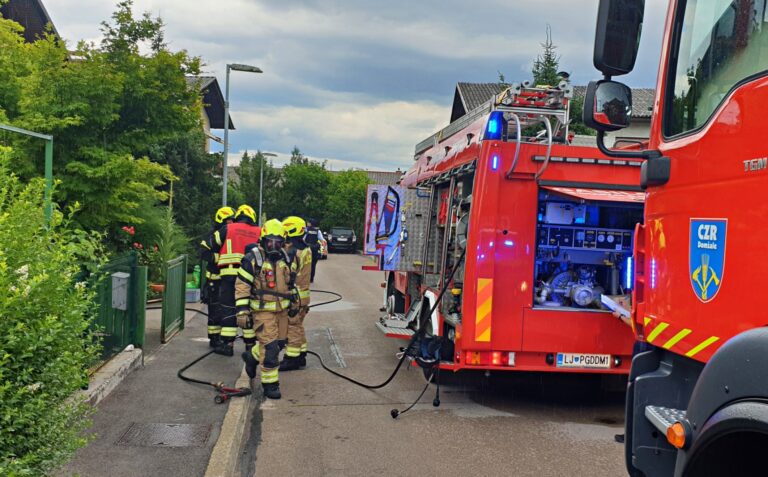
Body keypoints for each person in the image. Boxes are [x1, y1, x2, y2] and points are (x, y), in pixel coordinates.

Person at [235, 219, 293, 399]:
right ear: (263, 240)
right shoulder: (252, 259)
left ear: (283, 242)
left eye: (278, 242)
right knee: (270, 349)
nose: (273, 246)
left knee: (280, 343)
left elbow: (290, 283)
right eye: (270, 242)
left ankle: (251, 357)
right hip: (262, 311)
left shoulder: (285, 258)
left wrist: (294, 301)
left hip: (282, 311)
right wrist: (242, 310)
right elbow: (242, 286)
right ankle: (270, 385)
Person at [207, 204, 261, 356]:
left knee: (228, 308)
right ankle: (250, 346)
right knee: (248, 309)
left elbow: (211, 244)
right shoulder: (259, 231)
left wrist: (218, 260)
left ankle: (227, 345)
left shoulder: (227, 229)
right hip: (250, 277)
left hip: (229, 276)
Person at [199, 206, 235, 348]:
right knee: (214, 310)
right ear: (221, 220)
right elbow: (204, 252)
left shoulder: (231, 235)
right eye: (229, 220)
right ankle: (214, 338)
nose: (231, 223)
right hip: (214, 279)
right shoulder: (213, 235)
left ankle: (224, 337)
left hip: (227, 279)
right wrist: (221, 258)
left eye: (232, 220)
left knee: (226, 309)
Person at [280, 216, 313, 371]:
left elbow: (288, 274)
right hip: (303, 295)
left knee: (292, 326)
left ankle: (291, 358)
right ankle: (301, 355)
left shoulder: (294, 252)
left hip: (295, 296)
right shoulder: (305, 248)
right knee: (298, 325)